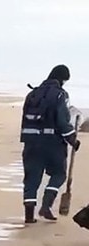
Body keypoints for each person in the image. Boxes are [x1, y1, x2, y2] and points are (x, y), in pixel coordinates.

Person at [20, 64, 80, 223]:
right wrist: (72, 138)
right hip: (52, 143)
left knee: (31, 177)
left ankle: (29, 216)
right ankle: (46, 205)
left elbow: (25, 119)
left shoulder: (32, 94)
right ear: (63, 79)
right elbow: (62, 121)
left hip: (31, 142)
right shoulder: (61, 95)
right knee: (59, 174)